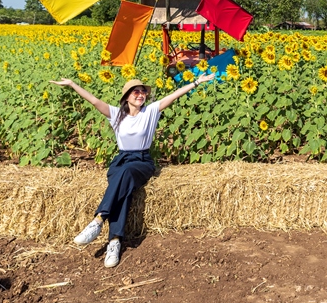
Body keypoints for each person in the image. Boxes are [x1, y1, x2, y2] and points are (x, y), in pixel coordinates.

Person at [51, 72, 212, 267]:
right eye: (136, 91)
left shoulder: (151, 111)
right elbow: (93, 100)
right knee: (123, 190)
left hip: (141, 161)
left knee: (126, 174)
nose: (141, 94)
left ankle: (99, 219)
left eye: (143, 91)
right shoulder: (116, 114)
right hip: (120, 160)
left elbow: (175, 95)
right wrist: (72, 84)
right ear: (127, 96)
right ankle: (115, 242)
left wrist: (196, 82)